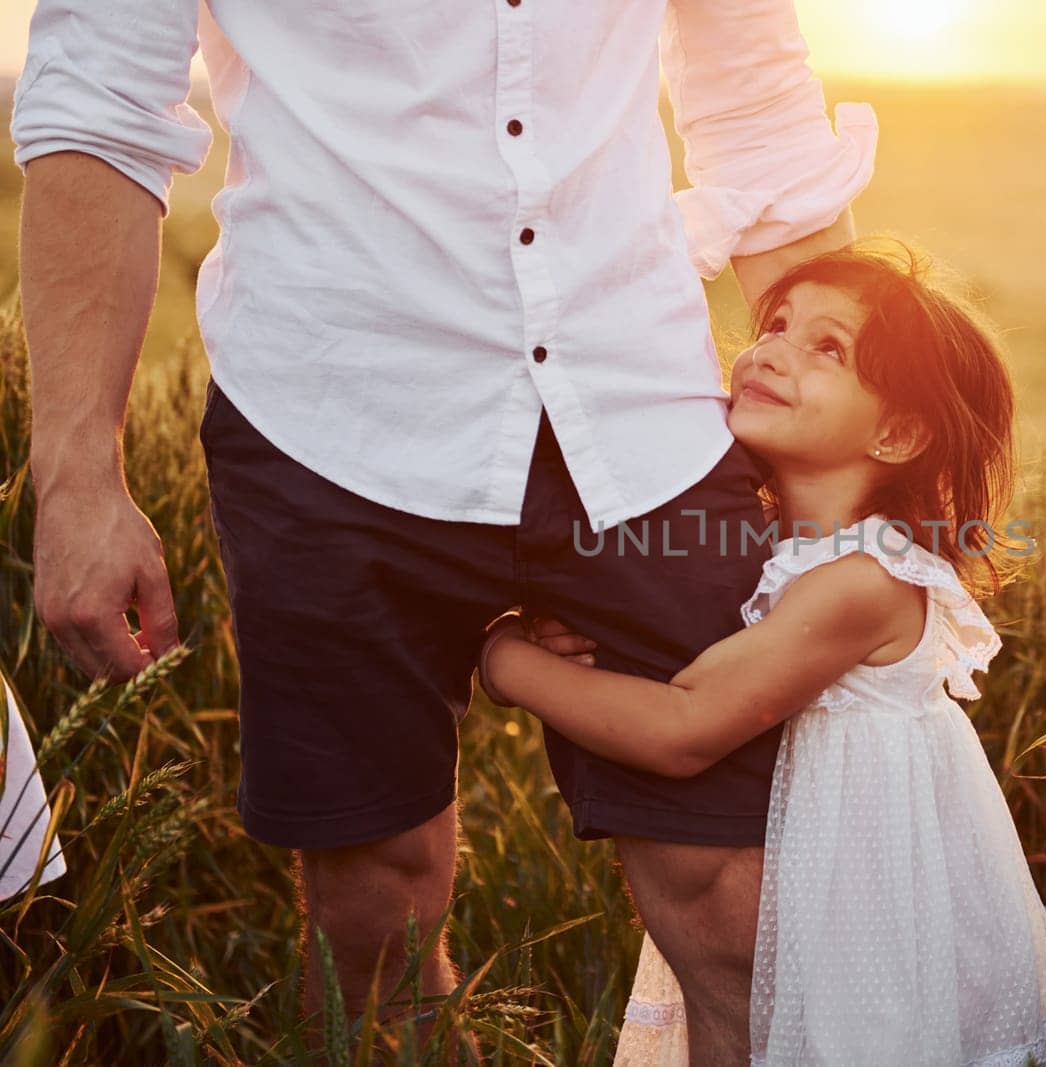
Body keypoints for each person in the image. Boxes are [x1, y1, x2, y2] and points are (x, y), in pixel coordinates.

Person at [12, 0, 877, 1054]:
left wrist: (864, 490)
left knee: (748, 911)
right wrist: (74, 479)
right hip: (330, 423)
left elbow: (759, 108)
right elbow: (100, 103)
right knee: (372, 916)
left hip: (641, 408)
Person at [479, 243, 1046, 1065]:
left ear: (901, 430)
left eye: (828, 348)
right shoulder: (774, 550)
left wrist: (502, 658)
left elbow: (683, 725)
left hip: (860, 931)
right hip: (825, 899)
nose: (770, 349)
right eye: (775, 324)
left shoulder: (865, 581)